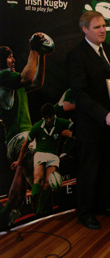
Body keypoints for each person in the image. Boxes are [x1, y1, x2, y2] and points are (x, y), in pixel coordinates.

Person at [67, 10, 110, 230]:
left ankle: (103, 205)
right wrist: (103, 114)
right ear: (85, 29)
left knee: (107, 168)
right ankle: (85, 213)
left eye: (104, 25)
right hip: (91, 125)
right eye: (97, 27)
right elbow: (79, 94)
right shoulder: (76, 55)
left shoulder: (108, 49)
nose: (103, 30)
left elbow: (108, 83)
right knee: (89, 171)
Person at [0, 37, 46, 230]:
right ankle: (44, 216)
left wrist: (41, 56)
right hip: (19, 139)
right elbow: (27, 77)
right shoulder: (2, 76)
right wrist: (33, 50)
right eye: (9, 56)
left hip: (20, 139)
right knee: (40, 179)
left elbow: (36, 82)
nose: (13, 60)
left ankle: (5, 216)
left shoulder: (12, 81)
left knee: (19, 191)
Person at [11, 103, 73, 215]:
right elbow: (25, 144)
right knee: (37, 179)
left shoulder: (60, 122)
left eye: (50, 117)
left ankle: (39, 209)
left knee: (47, 184)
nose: (49, 120)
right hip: (40, 153)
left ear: (54, 115)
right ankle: (34, 200)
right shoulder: (37, 126)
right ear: (43, 118)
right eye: (46, 118)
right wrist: (19, 160)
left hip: (53, 156)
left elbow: (72, 127)